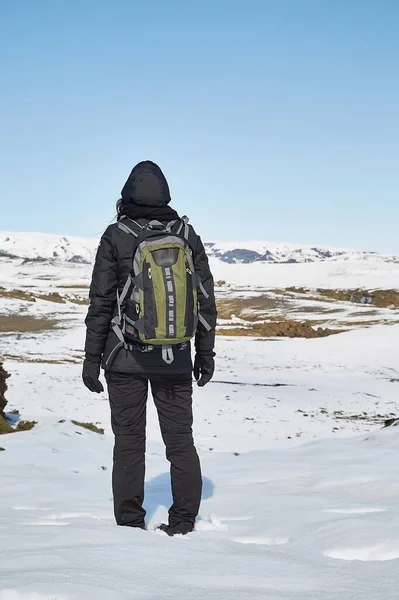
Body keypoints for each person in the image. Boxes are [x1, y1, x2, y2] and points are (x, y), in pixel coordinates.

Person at [82, 161, 217, 536]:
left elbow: (101, 304)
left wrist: (91, 361)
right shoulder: (186, 234)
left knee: (129, 442)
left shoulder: (116, 235)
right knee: (180, 442)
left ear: (126, 195)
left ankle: (129, 525)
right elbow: (206, 301)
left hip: (124, 360)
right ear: (166, 195)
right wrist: (205, 355)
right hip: (175, 360)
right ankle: (184, 522)